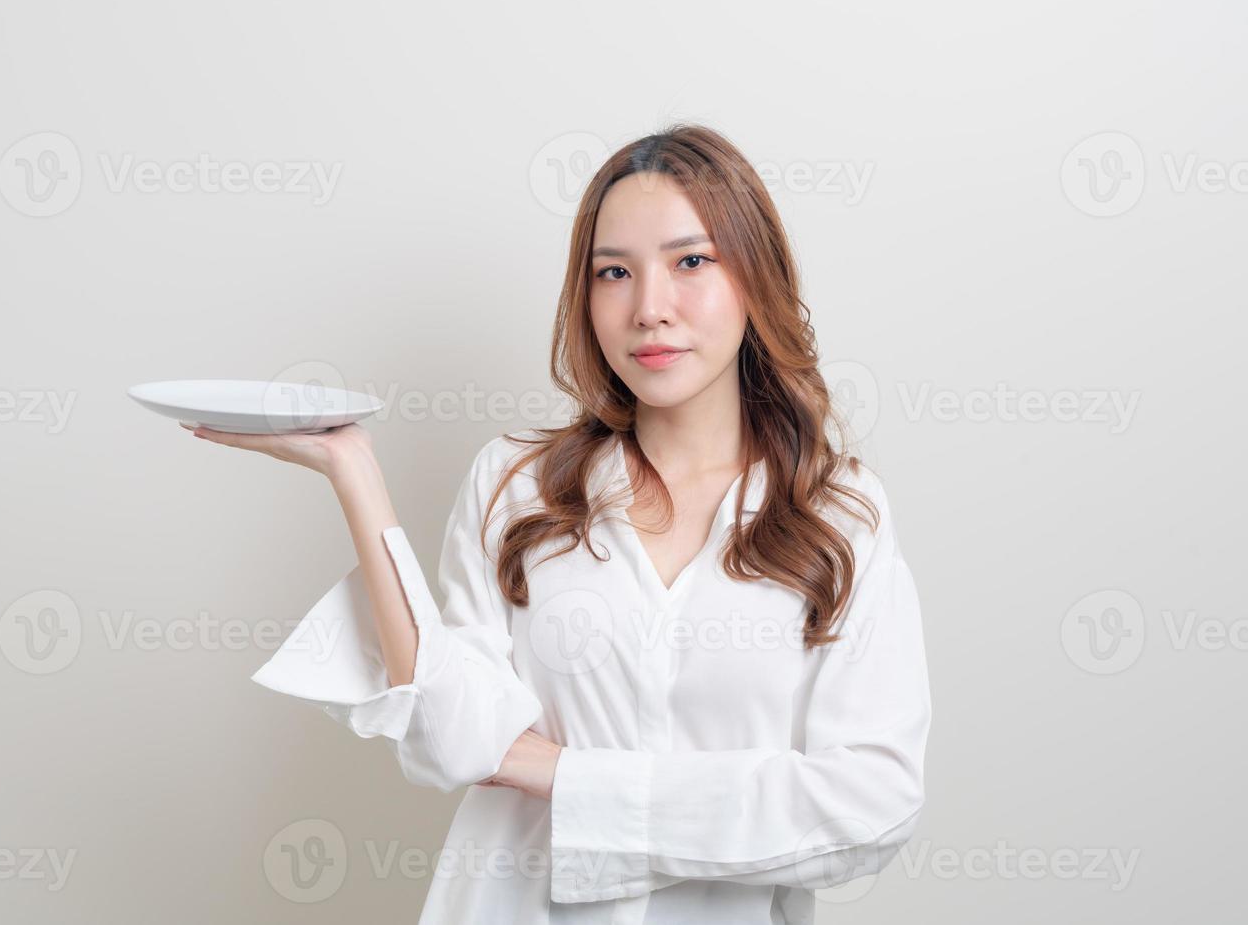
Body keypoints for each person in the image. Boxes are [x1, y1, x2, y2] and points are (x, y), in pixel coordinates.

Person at [185, 124, 932, 924]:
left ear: (756, 277)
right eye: (615, 272)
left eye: (691, 261)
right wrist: (356, 475)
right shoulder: (519, 487)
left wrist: (561, 773)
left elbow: (868, 808)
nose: (649, 308)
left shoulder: (837, 513)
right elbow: (451, 737)